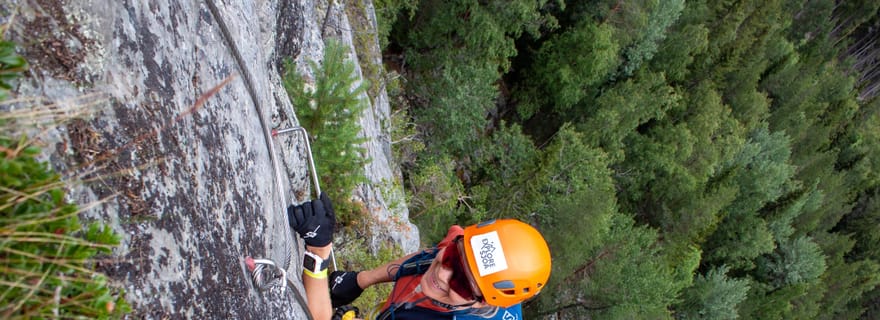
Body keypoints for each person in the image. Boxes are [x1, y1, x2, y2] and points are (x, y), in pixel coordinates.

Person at [289, 193, 552, 320]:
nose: (442, 272)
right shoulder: (469, 255)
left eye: (461, 282)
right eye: (451, 256)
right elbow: (428, 256)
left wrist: (318, 253)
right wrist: (362, 280)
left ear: (481, 303)